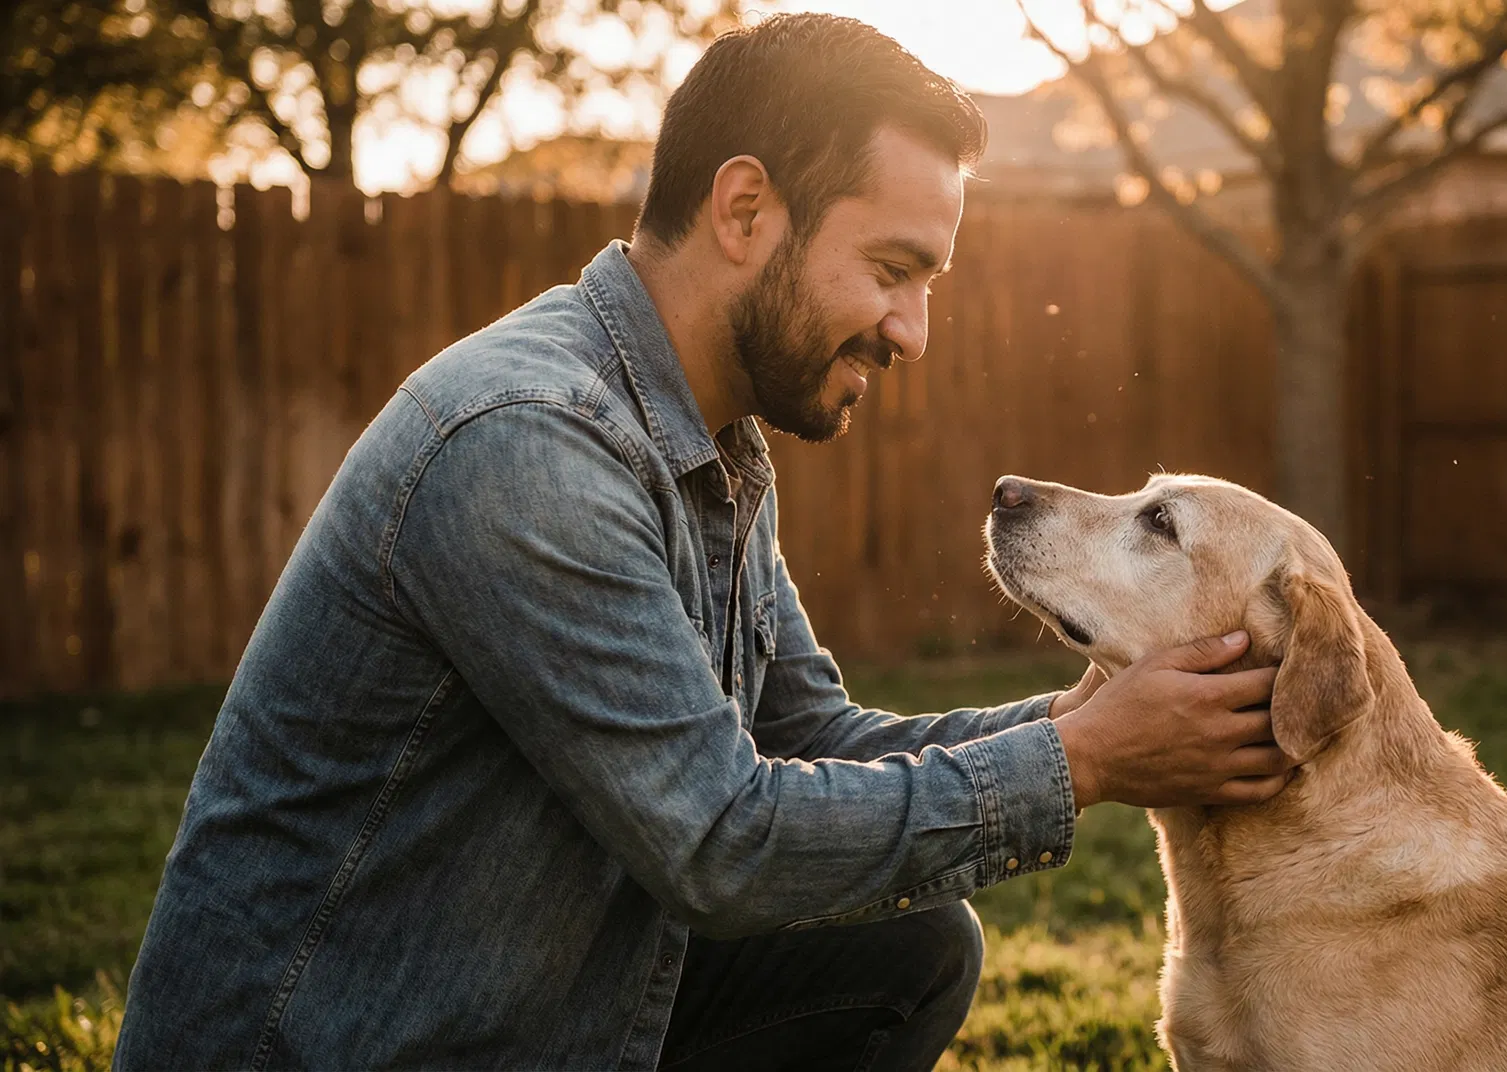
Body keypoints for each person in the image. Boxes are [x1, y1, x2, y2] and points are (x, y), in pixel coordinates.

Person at [114, 14, 1288, 1071]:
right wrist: (1086, 763)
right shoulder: (530, 445)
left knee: (909, 949)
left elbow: (812, 738)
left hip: (525, 1003)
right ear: (743, 210)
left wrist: (1086, 723)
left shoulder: (708, 444)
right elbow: (723, 841)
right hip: (342, 1042)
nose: (912, 331)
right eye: (891, 271)